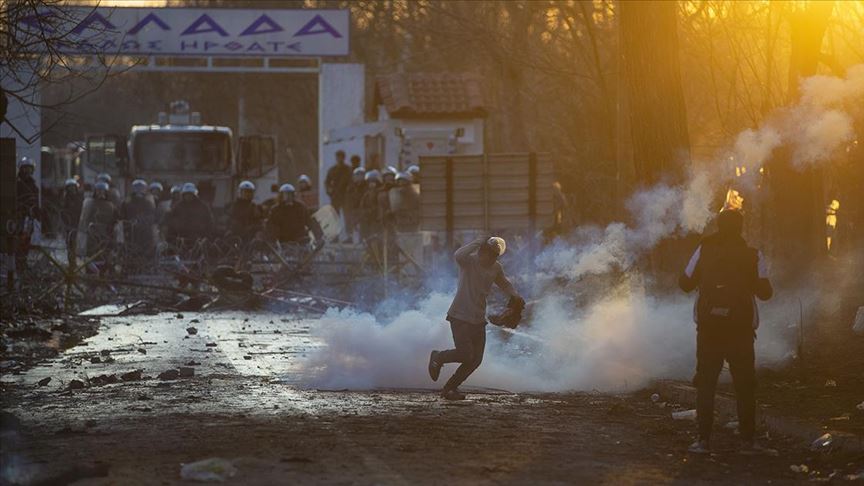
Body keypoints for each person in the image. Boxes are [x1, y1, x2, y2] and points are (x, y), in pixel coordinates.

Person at [679, 209, 774, 455]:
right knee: (744, 385)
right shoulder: (753, 255)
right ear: (741, 228)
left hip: (709, 329)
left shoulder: (704, 249)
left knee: (706, 383)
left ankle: (703, 441)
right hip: (740, 331)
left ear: (718, 226)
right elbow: (765, 293)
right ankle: (747, 442)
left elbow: (685, 283)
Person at [428, 237, 524, 400]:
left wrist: (516, 297)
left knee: (475, 360)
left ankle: (450, 389)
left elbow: (504, 284)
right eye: (488, 254)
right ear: (481, 251)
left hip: (478, 318)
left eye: (494, 256)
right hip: (460, 316)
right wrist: (480, 241)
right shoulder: (468, 262)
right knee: (465, 354)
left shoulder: (495, 267)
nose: (491, 259)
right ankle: (438, 357)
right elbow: (458, 255)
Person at [78, 181, 119, 261]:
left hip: (105, 234)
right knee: (91, 255)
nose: (100, 193)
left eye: (102, 191)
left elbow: (115, 220)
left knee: (104, 254)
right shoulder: (89, 203)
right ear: (95, 192)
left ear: (106, 192)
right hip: (92, 233)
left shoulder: (111, 205)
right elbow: (84, 219)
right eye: (98, 191)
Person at [120, 179, 157, 261]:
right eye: (137, 188)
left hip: (145, 231)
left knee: (146, 250)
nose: (139, 190)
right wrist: (127, 223)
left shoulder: (149, 201)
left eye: (141, 188)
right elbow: (122, 216)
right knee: (131, 249)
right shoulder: (127, 201)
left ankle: (147, 265)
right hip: (131, 230)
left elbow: (152, 215)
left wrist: (143, 221)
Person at [343, 167, 366, 243]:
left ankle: (362, 238)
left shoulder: (365, 187)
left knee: (360, 224)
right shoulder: (351, 187)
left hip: (360, 208)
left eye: (360, 175)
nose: (358, 177)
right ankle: (350, 237)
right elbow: (348, 198)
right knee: (349, 223)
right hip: (351, 208)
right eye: (357, 175)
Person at [359, 170, 382, 242]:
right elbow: (362, 206)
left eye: (373, 181)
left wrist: (373, 211)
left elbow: (380, 206)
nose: (371, 184)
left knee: (376, 240)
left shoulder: (380, 193)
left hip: (376, 221)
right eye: (369, 182)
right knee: (367, 240)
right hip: (367, 220)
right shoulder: (366, 194)